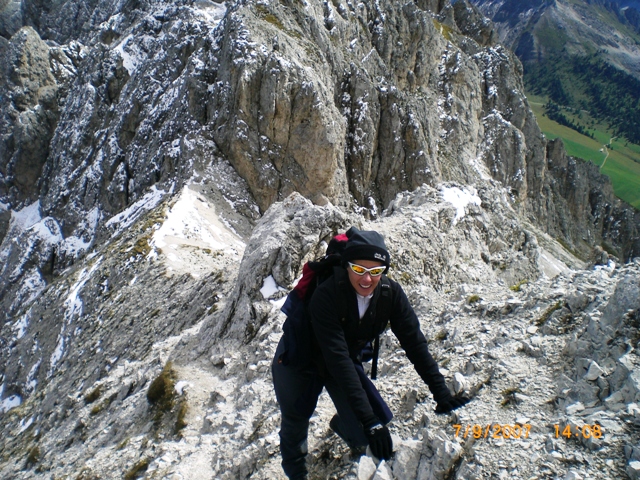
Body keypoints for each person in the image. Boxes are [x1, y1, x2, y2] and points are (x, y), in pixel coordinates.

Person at [271, 227, 469, 479]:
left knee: (371, 433)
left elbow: (415, 343)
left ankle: (346, 426)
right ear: (346, 266)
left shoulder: (390, 294)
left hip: (340, 359)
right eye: (358, 269)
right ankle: (296, 473)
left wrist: (441, 392)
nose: (367, 279)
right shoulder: (327, 294)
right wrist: (370, 421)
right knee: (296, 417)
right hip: (299, 357)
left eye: (375, 271)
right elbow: (339, 360)